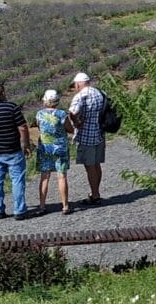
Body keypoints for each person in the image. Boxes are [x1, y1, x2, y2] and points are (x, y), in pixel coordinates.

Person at [0, 83, 32, 220]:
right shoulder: (12, 107)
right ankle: (19, 210)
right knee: (17, 180)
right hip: (13, 150)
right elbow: (22, 127)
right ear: (3, 93)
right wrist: (26, 145)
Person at [35, 89, 74, 215]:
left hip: (45, 148)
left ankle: (42, 206)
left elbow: (40, 127)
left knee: (44, 177)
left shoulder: (39, 114)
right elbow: (69, 129)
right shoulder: (62, 114)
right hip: (60, 148)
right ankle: (65, 206)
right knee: (61, 176)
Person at [68, 72, 105, 205]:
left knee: (89, 166)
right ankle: (96, 192)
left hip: (86, 135)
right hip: (100, 133)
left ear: (78, 84)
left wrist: (76, 122)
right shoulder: (100, 93)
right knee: (97, 164)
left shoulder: (80, 96)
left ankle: (94, 195)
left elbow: (72, 113)